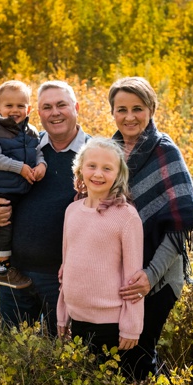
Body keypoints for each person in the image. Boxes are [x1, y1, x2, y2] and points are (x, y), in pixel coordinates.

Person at [0, 80, 90, 337]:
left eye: (62, 105)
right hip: (16, 274)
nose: (55, 112)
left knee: (62, 354)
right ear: (36, 113)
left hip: (63, 278)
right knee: (13, 351)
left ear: (76, 107)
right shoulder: (25, 144)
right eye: (47, 107)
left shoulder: (93, 154)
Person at [107, 76, 193, 382]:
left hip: (159, 276)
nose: (129, 116)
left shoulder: (165, 152)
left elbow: (179, 228)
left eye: (138, 108)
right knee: (116, 349)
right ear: (113, 112)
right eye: (121, 109)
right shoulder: (108, 152)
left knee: (139, 350)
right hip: (119, 274)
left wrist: (150, 276)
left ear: (151, 109)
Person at [57, 138, 144, 365]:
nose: (98, 173)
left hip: (110, 325)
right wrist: (62, 314)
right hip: (76, 318)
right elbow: (66, 267)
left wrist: (132, 327)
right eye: (92, 166)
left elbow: (133, 279)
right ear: (80, 169)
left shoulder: (126, 217)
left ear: (118, 175)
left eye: (107, 168)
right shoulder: (72, 211)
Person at [0, 80, 46, 289]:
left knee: (2, 223)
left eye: (20, 106)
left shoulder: (31, 131)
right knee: (4, 224)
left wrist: (41, 165)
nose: (15, 110)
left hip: (15, 188)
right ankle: (4, 269)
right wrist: (21, 168)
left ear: (29, 109)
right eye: (9, 106)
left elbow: (37, 152)